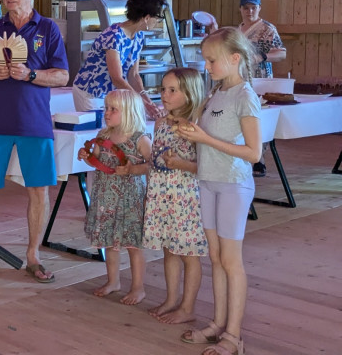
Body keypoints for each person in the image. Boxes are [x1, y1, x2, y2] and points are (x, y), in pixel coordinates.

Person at [0, 0, 69, 283]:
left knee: (38, 191)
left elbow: (63, 76)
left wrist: (31, 74)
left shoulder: (48, 29)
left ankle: (33, 256)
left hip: (34, 123)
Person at [176, 28, 261, 355]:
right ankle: (217, 323)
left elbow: (253, 153)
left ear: (235, 58)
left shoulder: (245, 96)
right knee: (214, 257)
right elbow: (209, 137)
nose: (207, 66)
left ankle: (234, 336)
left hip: (232, 184)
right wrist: (191, 132)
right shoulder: (215, 93)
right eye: (205, 60)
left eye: (212, 60)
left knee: (230, 260)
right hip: (208, 181)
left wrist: (205, 139)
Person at [143, 68, 208, 324]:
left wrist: (180, 164)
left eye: (172, 90)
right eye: (163, 89)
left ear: (189, 94)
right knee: (169, 250)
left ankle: (188, 307)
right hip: (161, 196)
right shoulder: (160, 123)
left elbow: (206, 167)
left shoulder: (196, 127)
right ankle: (171, 299)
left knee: (189, 254)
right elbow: (154, 161)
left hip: (186, 199)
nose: (165, 95)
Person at [78, 89, 152, 305]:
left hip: (131, 200)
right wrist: (87, 156)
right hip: (106, 198)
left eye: (113, 109)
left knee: (134, 245)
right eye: (106, 108)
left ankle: (138, 288)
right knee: (109, 243)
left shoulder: (140, 139)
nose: (107, 113)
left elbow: (153, 165)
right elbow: (97, 160)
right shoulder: (103, 136)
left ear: (128, 112)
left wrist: (132, 170)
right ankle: (113, 281)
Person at [216, 0, 285, 178]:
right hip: (239, 78)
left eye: (253, 7)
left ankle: (259, 158)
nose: (250, 11)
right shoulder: (237, 31)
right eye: (246, 8)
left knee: (257, 115)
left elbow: (281, 53)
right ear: (240, 9)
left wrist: (261, 57)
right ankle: (242, 154)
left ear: (259, 8)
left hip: (259, 78)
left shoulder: (267, 29)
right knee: (240, 114)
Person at [72, 0, 167, 119]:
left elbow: (134, 75)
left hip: (109, 93)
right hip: (90, 92)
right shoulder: (114, 35)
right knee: (100, 129)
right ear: (147, 18)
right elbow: (116, 78)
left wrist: (149, 103)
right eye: (158, 18)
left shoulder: (139, 36)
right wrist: (142, 104)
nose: (158, 21)